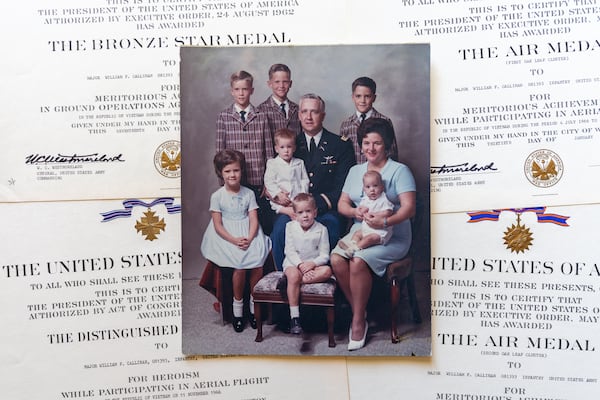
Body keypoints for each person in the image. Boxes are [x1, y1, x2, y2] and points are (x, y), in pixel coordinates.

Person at [331, 118, 416, 351]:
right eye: (366, 142)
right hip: (361, 229)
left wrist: (386, 219)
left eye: (376, 143)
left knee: (358, 261)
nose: (370, 148)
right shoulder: (355, 170)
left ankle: (357, 321)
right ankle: (363, 311)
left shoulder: (400, 171)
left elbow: (409, 208)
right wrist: (354, 210)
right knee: (336, 259)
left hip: (392, 234)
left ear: (386, 145)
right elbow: (342, 205)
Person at [269, 93, 356, 271]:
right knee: (279, 232)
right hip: (293, 210)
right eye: (304, 112)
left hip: (325, 209)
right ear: (299, 115)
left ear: (322, 115)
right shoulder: (289, 144)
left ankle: (325, 284)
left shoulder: (339, 145)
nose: (308, 117)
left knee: (330, 229)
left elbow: (343, 186)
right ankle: (285, 278)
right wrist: (289, 206)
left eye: (314, 112)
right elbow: (275, 178)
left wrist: (312, 206)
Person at [200, 149, 272, 333]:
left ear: (241, 171)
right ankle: (237, 310)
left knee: (257, 261)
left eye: (236, 170)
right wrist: (234, 240)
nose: (232, 174)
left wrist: (249, 237)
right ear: (221, 173)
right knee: (239, 264)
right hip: (226, 235)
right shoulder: (217, 196)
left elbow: (254, 219)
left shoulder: (248, 193)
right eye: (227, 171)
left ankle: (253, 306)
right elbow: (217, 225)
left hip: (248, 231)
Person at [216, 70, 274, 232]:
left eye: (245, 89)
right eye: (237, 89)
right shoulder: (224, 116)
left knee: (261, 223)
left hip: (258, 180)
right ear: (232, 91)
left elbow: (269, 152)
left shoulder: (261, 116)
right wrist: (223, 181)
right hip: (234, 180)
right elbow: (219, 153)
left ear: (251, 90)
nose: (241, 93)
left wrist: (268, 182)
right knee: (237, 225)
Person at [278, 193, 333, 334]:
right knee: (293, 274)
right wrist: (300, 265)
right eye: (300, 212)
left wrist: (312, 264)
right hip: (293, 263)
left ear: (315, 212)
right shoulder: (290, 227)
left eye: (308, 211)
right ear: (295, 215)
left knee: (327, 271)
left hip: (313, 266)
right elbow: (289, 251)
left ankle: (293, 283)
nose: (305, 216)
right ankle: (295, 318)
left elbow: (324, 255)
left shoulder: (322, 229)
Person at [339, 76, 398, 163]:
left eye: (367, 96)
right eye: (358, 96)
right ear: (353, 97)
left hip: (378, 173)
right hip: (354, 172)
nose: (362, 100)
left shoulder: (384, 121)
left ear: (374, 98)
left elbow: (392, 153)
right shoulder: (346, 125)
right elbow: (341, 153)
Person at [337, 170, 393, 257]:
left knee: (370, 238)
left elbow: (389, 212)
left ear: (382, 187)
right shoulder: (366, 199)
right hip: (367, 228)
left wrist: (377, 215)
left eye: (375, 186)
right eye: (368, 187)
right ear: (364, 189)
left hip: (380, 232)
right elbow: (362, 209)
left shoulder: (383, 199)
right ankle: (351, 244)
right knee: (357, 233)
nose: (372, 190)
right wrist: (360, 211)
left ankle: (355, 248)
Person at [263, 128, 309, 218]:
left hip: (297, 200)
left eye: (289, 147)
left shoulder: (299, 162)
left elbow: (304, 180)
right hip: (280, 201)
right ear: (276, 149)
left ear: (294, 148)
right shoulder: (273, 163)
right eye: (282, 147)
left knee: (301, 220)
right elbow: (269, 181)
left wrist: (302, 195)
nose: (286, 150)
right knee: (282, 222)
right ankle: (286, 212)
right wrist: (278, 193)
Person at [257, 63, 301, 136]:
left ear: (290, 84)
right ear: (269, 84)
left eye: (285, 82)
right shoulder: (260, 111)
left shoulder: (297, 109)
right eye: (277, 82)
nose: (281, 86)